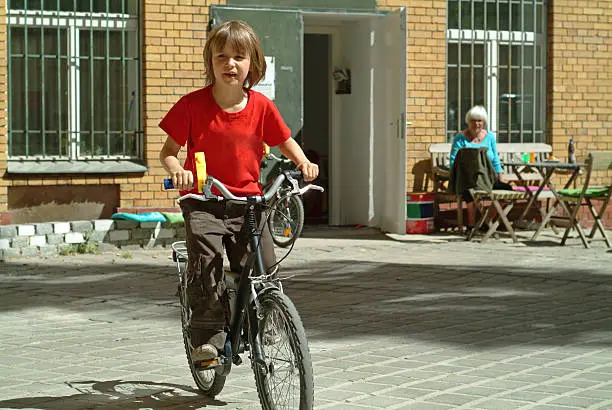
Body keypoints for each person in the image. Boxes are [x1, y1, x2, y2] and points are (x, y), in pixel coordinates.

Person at [158, 20, 319, 362]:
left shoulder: (261, 106)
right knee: (208, 262)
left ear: (253, 64)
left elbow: (284, 140)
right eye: (221, 56)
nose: (230, 63)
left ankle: (266, 318)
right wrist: (179, 173)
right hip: (204, 201)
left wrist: (304, 162)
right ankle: (209, 339)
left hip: (248, 201)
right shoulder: (192, 105)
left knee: (263, 265)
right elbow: (168, 152)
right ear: (211, 62)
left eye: (238, 56)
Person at [449, 105, 512, 228]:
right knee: (470, 192)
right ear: (468, 121)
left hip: (488, 178)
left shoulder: (489, 137)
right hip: (468, 179)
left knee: (507, 190)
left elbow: (495, 160)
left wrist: (500, 175)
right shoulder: (460, 139)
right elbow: (453, 160)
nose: (477, 124)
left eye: (480, 121)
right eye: (473, 120)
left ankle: (486, 220)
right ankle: (472, 226)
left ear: (484, 122)